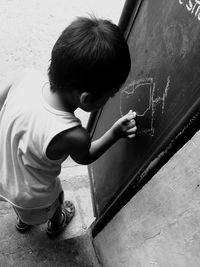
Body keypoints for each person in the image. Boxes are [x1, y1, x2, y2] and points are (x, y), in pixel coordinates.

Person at [0, 16, 137, 237]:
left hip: (5, 179)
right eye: (110, 95)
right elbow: (86, 156)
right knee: (55, 202)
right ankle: (57, 222)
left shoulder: (24, 77)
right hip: (36, 195)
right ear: (86, 98)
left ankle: (24, 221)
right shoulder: (72, 133)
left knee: (23, 209)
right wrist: (115, 133)